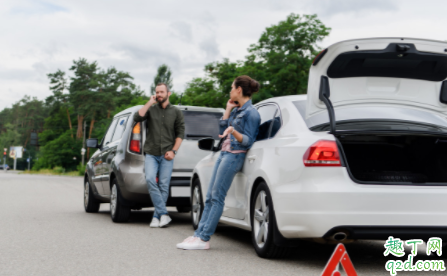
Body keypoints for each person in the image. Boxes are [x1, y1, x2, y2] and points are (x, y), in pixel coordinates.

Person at [177, 75, 261, 250]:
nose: (230, 91)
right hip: (224, 152)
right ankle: (198, 235)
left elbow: (248, 141)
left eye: (232, 87)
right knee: (209, 196)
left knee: (217, 198)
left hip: (234, 156)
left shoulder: (252, 113)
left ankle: (204, 238)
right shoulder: (238, 110)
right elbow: (222, 133)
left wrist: (234, 132)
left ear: (239, 90)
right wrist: (228, 110)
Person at [133, 83, 185, 228]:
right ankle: (164, 214)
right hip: (151, 152)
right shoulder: (151, 109)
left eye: (162, 92)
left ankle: (157, 216)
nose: (159, 94)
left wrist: (173, 151)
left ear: (169, 93)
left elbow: (180, 133)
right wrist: (150, 102)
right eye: (157, 92)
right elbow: (137, 117)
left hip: (167, 153)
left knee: (163, 185)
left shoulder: (176, 111)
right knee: (150, 179)